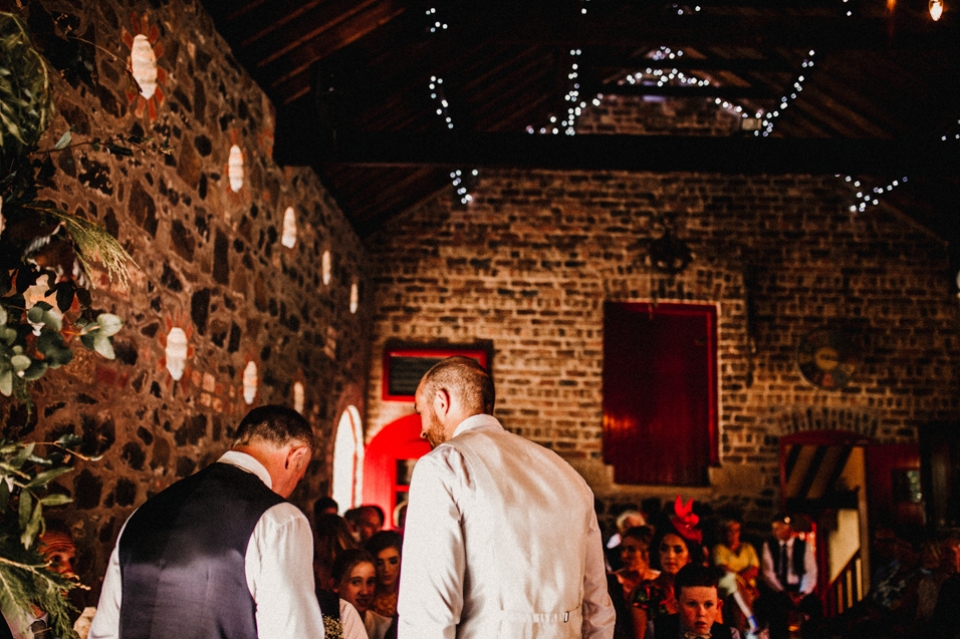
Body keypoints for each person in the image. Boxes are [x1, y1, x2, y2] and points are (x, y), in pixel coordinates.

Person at [397, 356, 615, 639]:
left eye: (420, 412)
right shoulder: (567, 475)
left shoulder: (444, 466)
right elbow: (598, 609)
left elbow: (428, 611)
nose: (422, 428)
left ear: (442, 401)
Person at [89, 405, 326, 639]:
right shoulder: (279, 520)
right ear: (296, 456)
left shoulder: (141, 516)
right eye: (299, 476)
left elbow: (104, 633)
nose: (292, 488)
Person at [631, 496, 702, 639]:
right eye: (664, 549)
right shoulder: (645, 593)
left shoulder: (702, 591)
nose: (670, 555)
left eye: (677, 550)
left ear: (689, 556)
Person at [1, 521, 78, 639]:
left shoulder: (69, 630)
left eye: (71, 560)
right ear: (22, 566)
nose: (70, 573)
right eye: (55, 559)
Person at [757, 513, 819, 639]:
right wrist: (784, 592)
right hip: (779, 591)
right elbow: (768, 573)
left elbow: (810, 572)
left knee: (815, 606)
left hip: (800, 590)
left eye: (778, 528)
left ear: (788, 529)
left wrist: (802, 594)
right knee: (769, 608)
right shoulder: (769, 545)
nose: (774, 532)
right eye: (773, 528)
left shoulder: (803, 546)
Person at [648, 564, 741, 639]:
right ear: (676, 605)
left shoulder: (730, 635)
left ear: (718, 606)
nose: (701, 613)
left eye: (708, 605)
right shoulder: (656, 630)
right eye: (692, 604)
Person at [608, 526, 658, 639]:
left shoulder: (659, 582)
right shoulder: (611, 583)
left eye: (631, 549)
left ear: (647, 553)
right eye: (623, 549)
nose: (624, 556)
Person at [712, 517, 760, 634]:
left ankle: (739, 633)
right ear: (724, 532)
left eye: (736, 530)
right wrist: (745, 581)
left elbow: (754, 570)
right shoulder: (719, 548)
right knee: (732, 579)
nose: (733, 534)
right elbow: (724, 569)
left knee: (736, 600)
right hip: (726, 584)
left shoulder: (748, 548)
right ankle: (752, 619)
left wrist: (740, 579)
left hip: (744, 589)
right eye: (730, 530)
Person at [331, 549, 392, 639]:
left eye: (370, 582)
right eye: (356, 582)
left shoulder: (385, 627)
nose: (365, 592)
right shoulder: (324, 624)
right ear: (335, 585)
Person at [365, 531, 403, 618]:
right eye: (379, 563)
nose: (386, 569)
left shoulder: (411, 593)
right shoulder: (366, 595)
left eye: (393, 562)